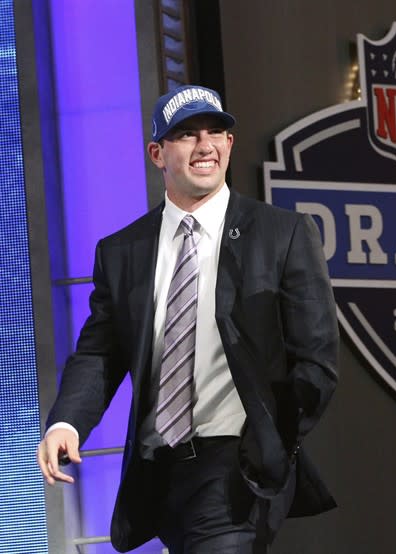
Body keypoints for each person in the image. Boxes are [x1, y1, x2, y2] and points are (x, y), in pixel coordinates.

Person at [36, 85, 339, 553]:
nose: (205, 146)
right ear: (157, 153)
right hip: (159, 475)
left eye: (216, 132)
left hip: (236, 469)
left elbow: (316, 358)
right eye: (187, 134)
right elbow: (99, 352)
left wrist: (272, 444)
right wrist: (66, 424)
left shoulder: (282, 233)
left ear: (230, 144)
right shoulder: (122, 252)